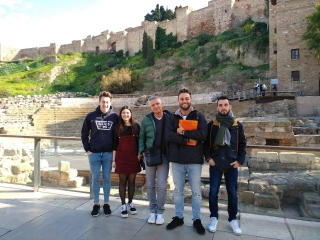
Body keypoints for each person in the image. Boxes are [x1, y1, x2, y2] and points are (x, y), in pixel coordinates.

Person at [165, 88, 207, 235]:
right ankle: (179, 217)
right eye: (182, 99)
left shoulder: (199, 116)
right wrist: (188, 139)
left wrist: (183, 132)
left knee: (196, 192)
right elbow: (169, 135)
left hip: (194, 160)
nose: (184, 101)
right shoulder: (172, 118)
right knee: (178, 191)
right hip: (177, 161)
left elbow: (203, 134)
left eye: (187, 98)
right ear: (179, 101)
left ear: (190, 99)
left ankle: (197, 219)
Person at [203, 95, 246, 236]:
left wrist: (239, 161)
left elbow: (242, 144)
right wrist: (209, 158)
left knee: (232, 194)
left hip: (231, 164)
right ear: (217, 107)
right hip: (216, 164)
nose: (223, 108)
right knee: (213, 192)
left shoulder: (237, 125)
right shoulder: (212, 125)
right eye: (220, 105)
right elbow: (206, 144)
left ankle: (232, 219)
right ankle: (213, 217)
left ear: (230, 107)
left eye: (225, 105)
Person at [81, 91, 119, 217]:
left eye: (107, 102)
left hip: (108, 154)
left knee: (107, 179)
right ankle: (96, 204)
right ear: (99, 102)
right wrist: (87, 150)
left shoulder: (114, 117)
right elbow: (84, 133)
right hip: (94, 154)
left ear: (110, 103)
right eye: (103, 102)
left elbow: (118, 136)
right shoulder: (91, 116)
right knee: (95, 179)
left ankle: (106, 204)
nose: (105, 104)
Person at [138, 96, 171, 225]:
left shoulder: (169, 117)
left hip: (164, 156)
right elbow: (141, 137)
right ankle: (153, 211)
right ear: (150, 107)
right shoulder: (147, 120)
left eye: (157, 104)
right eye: (153, 105)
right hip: (150, 156)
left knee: (162, 186)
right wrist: (142, 152)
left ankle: (160, 212)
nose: (156, 106)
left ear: (162, 104)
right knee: (150, 185)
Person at [113, 106, 141, 218]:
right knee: (122, 181)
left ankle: (130, 202)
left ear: (131, 114)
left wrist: (139, 156)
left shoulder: (136, 127)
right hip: (121, 158)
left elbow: (140, 142)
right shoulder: (117, 127)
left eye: (127, 113)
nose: (125, 115)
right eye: (123, 113)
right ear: (121, 114)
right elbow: (114, 145)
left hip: (133, 158)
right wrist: (114, 160)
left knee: (132, 182)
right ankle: (123, 205)